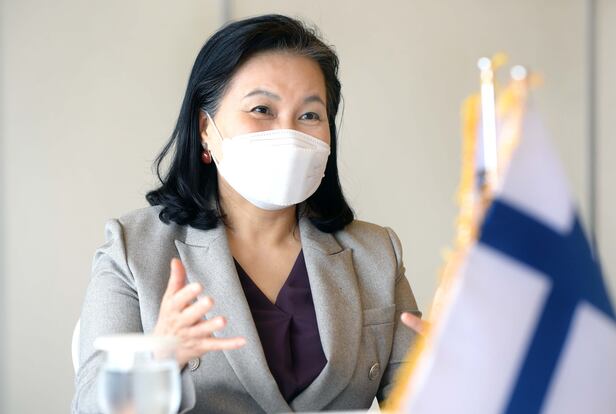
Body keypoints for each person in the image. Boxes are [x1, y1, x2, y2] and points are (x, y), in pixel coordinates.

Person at [72, 14, 422, 414]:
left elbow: (420, 400)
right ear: (205, 129)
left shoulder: (376, 252)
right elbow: (89, 406)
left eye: (310, 115)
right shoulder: (134, 250)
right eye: (261, 109)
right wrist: (157, 360)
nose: (288, 133)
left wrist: (461, 373)